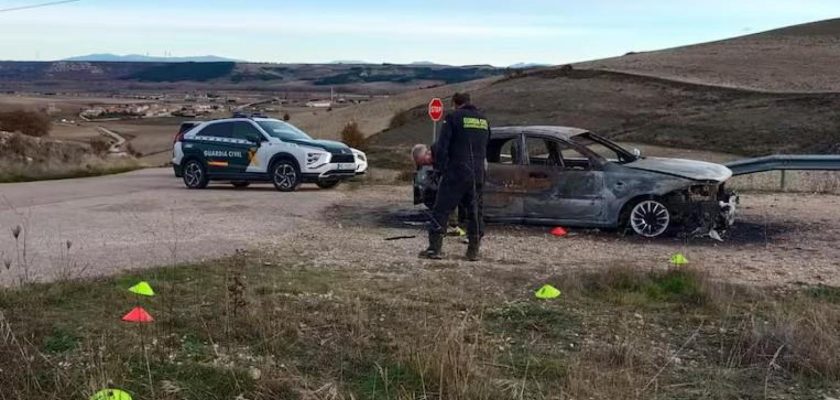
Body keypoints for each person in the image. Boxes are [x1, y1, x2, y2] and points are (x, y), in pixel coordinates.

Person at [420, 92, 490, 261]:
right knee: (475, 212)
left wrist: (441, 168)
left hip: (456, 171)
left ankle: (434, 249)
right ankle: (473, 251)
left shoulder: (453, 117)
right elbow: (487, 143)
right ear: (469, 102)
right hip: (478, 172)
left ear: (454, 103)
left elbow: (443, 146)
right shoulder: (483, 120)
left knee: (442, 209)